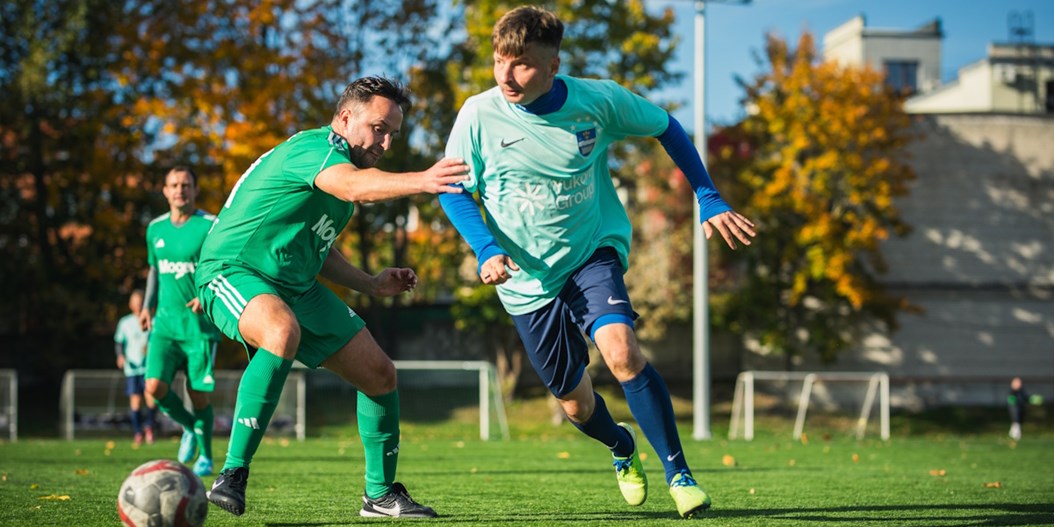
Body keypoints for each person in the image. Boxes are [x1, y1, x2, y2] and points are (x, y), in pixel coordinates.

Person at [439, 6, 756, 519]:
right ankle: (621, 447)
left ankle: (680, 474)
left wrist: (708, 195)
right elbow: (452, 190)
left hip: (591, 252)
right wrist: (487, 249)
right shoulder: (478, 114)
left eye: (521, 64)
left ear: (553, 65)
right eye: (500, 61)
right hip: (525, 281)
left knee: (623, 352)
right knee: (576, 406)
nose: (506, 75)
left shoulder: (598, 100)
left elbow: (666, 127)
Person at [195, 76, 469, 518]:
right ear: (345, 118)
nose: (385, 141)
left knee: (380, 375)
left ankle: (379, 496)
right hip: (232, 269)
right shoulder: (316, 150)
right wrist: (424, 180)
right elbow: (355, 187)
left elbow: (318, 250)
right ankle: (232, 473)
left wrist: (371, 283)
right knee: (281, 331)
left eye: (393, 134)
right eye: (378, 128)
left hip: (295, 285)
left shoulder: (338, 179)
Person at [140, 166, 222, 477]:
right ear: (165, 190)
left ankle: (208, 458)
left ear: (195, 189)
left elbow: (223, 265)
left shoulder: (210, 225)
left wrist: (206, 292)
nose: (180, 190)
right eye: (174, 184)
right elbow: (153, 270)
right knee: (154, 387)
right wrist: (147, 306)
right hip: (164, 324)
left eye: (185, 184)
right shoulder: (155, 229)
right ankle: (190, 428)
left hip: (199, 326)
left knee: (198, 393)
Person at [114, 289, 156, 445]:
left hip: (149, 367)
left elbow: (159, 340)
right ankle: (138, 432)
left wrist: (151, 348)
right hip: (132, 367)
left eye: (141, 303)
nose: (138, 306)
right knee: (136, 401)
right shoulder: (125, 323)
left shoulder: (154, 320)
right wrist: (120, 356)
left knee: (151, 397)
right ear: (131, 305)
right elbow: (119, 342)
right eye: (136, 303)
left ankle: (150, 427)